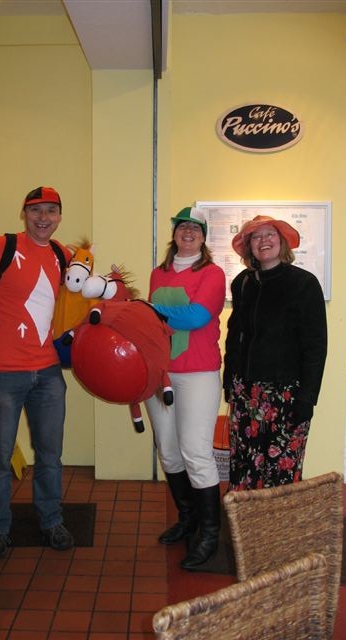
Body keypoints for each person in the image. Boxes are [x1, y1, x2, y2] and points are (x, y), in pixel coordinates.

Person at [0, 186, 74, 559]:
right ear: (24, 214)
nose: (43, 217)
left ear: (59, 216)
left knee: (50, 455)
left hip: (48, 374)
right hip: (2, 375)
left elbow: (81, 293)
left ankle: (51, 521)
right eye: (36, 210)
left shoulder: (62, 254)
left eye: (51, 210)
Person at [145, 206, 226, 571]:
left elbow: (197, 316)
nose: (188, 233)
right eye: (183, 227)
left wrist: (150, 309)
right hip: (160, 373)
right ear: (175, 233)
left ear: (204, 236)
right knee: (169, 451)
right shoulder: (158, 273)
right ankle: (188, 519)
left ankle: (210, 534)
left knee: (195, 451)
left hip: (197, 374)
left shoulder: (212, 273)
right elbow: (151, 327)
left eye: (196, 228)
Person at [223, 215, 327, 490]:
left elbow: (316, 346)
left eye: (270, 234)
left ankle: (279, 521)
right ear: (249, 247)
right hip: (246, 392)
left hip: (287, 396)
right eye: (256, 237)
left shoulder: (304, 284)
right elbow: (235, 334)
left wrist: (307, 399)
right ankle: (246, 519)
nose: (264, 240)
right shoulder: (242, 283)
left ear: (282, 242)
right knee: (244, 466)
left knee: (282, 471)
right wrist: (229, 380)